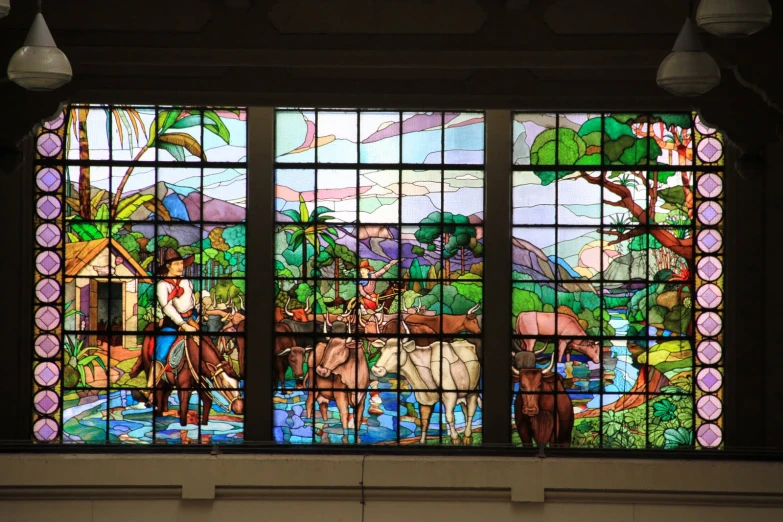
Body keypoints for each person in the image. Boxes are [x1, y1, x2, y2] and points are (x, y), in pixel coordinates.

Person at [145, 247, 198, 402]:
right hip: (172, 322)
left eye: (181, 263)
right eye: (176, 264)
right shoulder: (162, 285)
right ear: (168, 266)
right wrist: (183, 323)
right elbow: (167, 307)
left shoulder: (187, 282)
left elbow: (192, 302)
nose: (180, 267)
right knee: (161, 351)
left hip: (192, 318)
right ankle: (150, 389)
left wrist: (198, 315)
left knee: (209, 345)